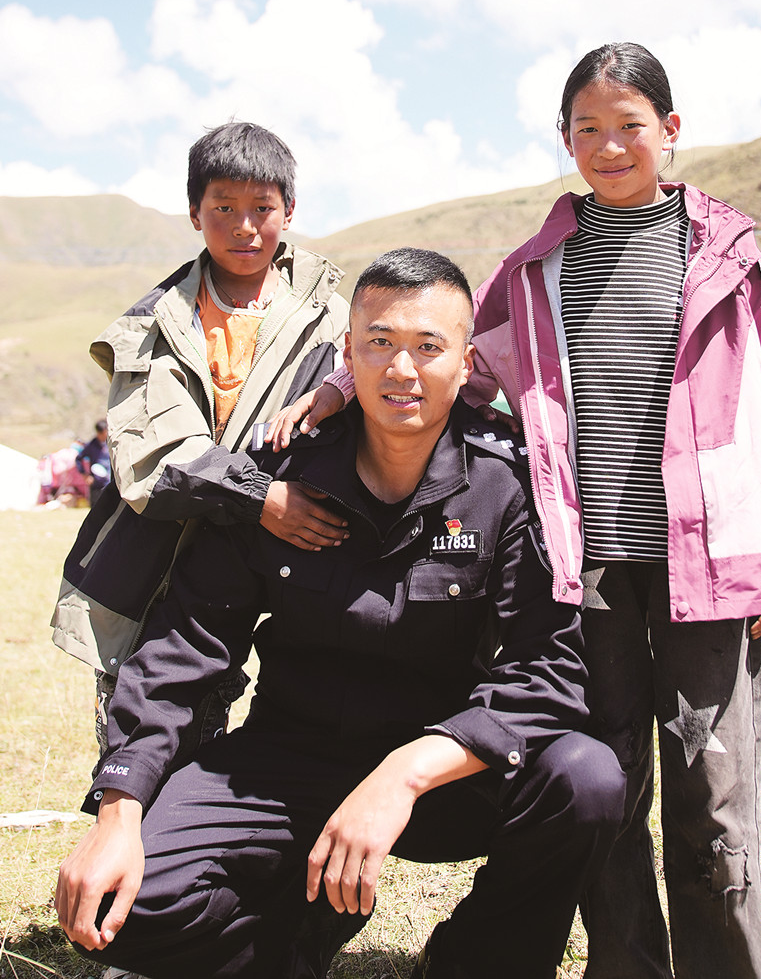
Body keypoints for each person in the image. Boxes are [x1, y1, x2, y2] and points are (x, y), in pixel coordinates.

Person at [277, 44, 761, 979]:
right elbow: (453, 364)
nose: (609, 146)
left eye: (630, 126)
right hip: (583, 572)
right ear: (564, 137)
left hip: (709, 567)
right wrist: (337, 387)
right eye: (587, 128)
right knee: (611, 783)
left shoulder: (727, 256)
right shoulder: (534, 269)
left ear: (670, 130)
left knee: (714, 794)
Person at [54, 248, 625, 979]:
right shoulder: (283, 477)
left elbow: (546, 671)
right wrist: (119, 807)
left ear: (465, 362)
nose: (401, 369)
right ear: (347, 355)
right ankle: (293, 941)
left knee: (585, 778)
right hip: (288, 760)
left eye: (428, 346)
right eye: (379, 342)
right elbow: (184, 645)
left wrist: (405, 773)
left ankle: (471, 962)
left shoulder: (506, 486)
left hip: (442, 769)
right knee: (116, 910)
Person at [51, 121, 350, 755]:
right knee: (143, 720)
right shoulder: (154, 323)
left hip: (275, 561)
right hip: (158, 555)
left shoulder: (332, 315)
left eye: (262, 208)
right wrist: (261, 497)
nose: (245, 227)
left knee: (256, 732)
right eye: (224, 208)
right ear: (195, 214)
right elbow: (154, 457)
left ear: (289, 211)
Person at [76, 419, 112, 506]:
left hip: (110, 482)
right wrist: (85, 475)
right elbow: (78, 459)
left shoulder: (111, 443)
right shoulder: (91, 445)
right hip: (97, 483)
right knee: (96, 507)